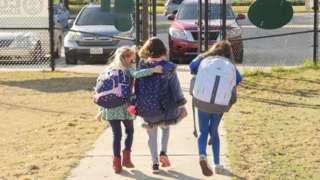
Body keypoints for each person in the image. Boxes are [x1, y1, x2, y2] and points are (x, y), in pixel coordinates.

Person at [95, 46, 163, 173]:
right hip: (126, 106)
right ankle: (126, 158)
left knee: (116, 135)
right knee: (130, 131)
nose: (132, 61)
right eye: (131, 59)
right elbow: (138, 74)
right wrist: (154, 69)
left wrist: (101, 110)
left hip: (111, 108)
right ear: (125, 58)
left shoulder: (108, 70)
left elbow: (102, 91)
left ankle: (117, 163)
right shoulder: (127, 69)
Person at [189, 40, 243, 176]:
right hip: (220, 103)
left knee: (203, 131)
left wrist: (202, 55)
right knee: (214, 131)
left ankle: (202, 156)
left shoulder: (205, 59)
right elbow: (238, 79)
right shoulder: (230, 65)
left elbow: (192, 66)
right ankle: (217, 164)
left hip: (202, 100)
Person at [135, 37, 187, 173]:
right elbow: (176, 89)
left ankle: (154, 163)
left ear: (147, 50)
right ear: (163, 50)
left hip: (148, 108)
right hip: (166, 108)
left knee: (151, 136)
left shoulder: (142, 66)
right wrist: (181, 105)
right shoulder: (168, 67)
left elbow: (137, 88)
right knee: (165, 128)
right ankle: (163, 152)